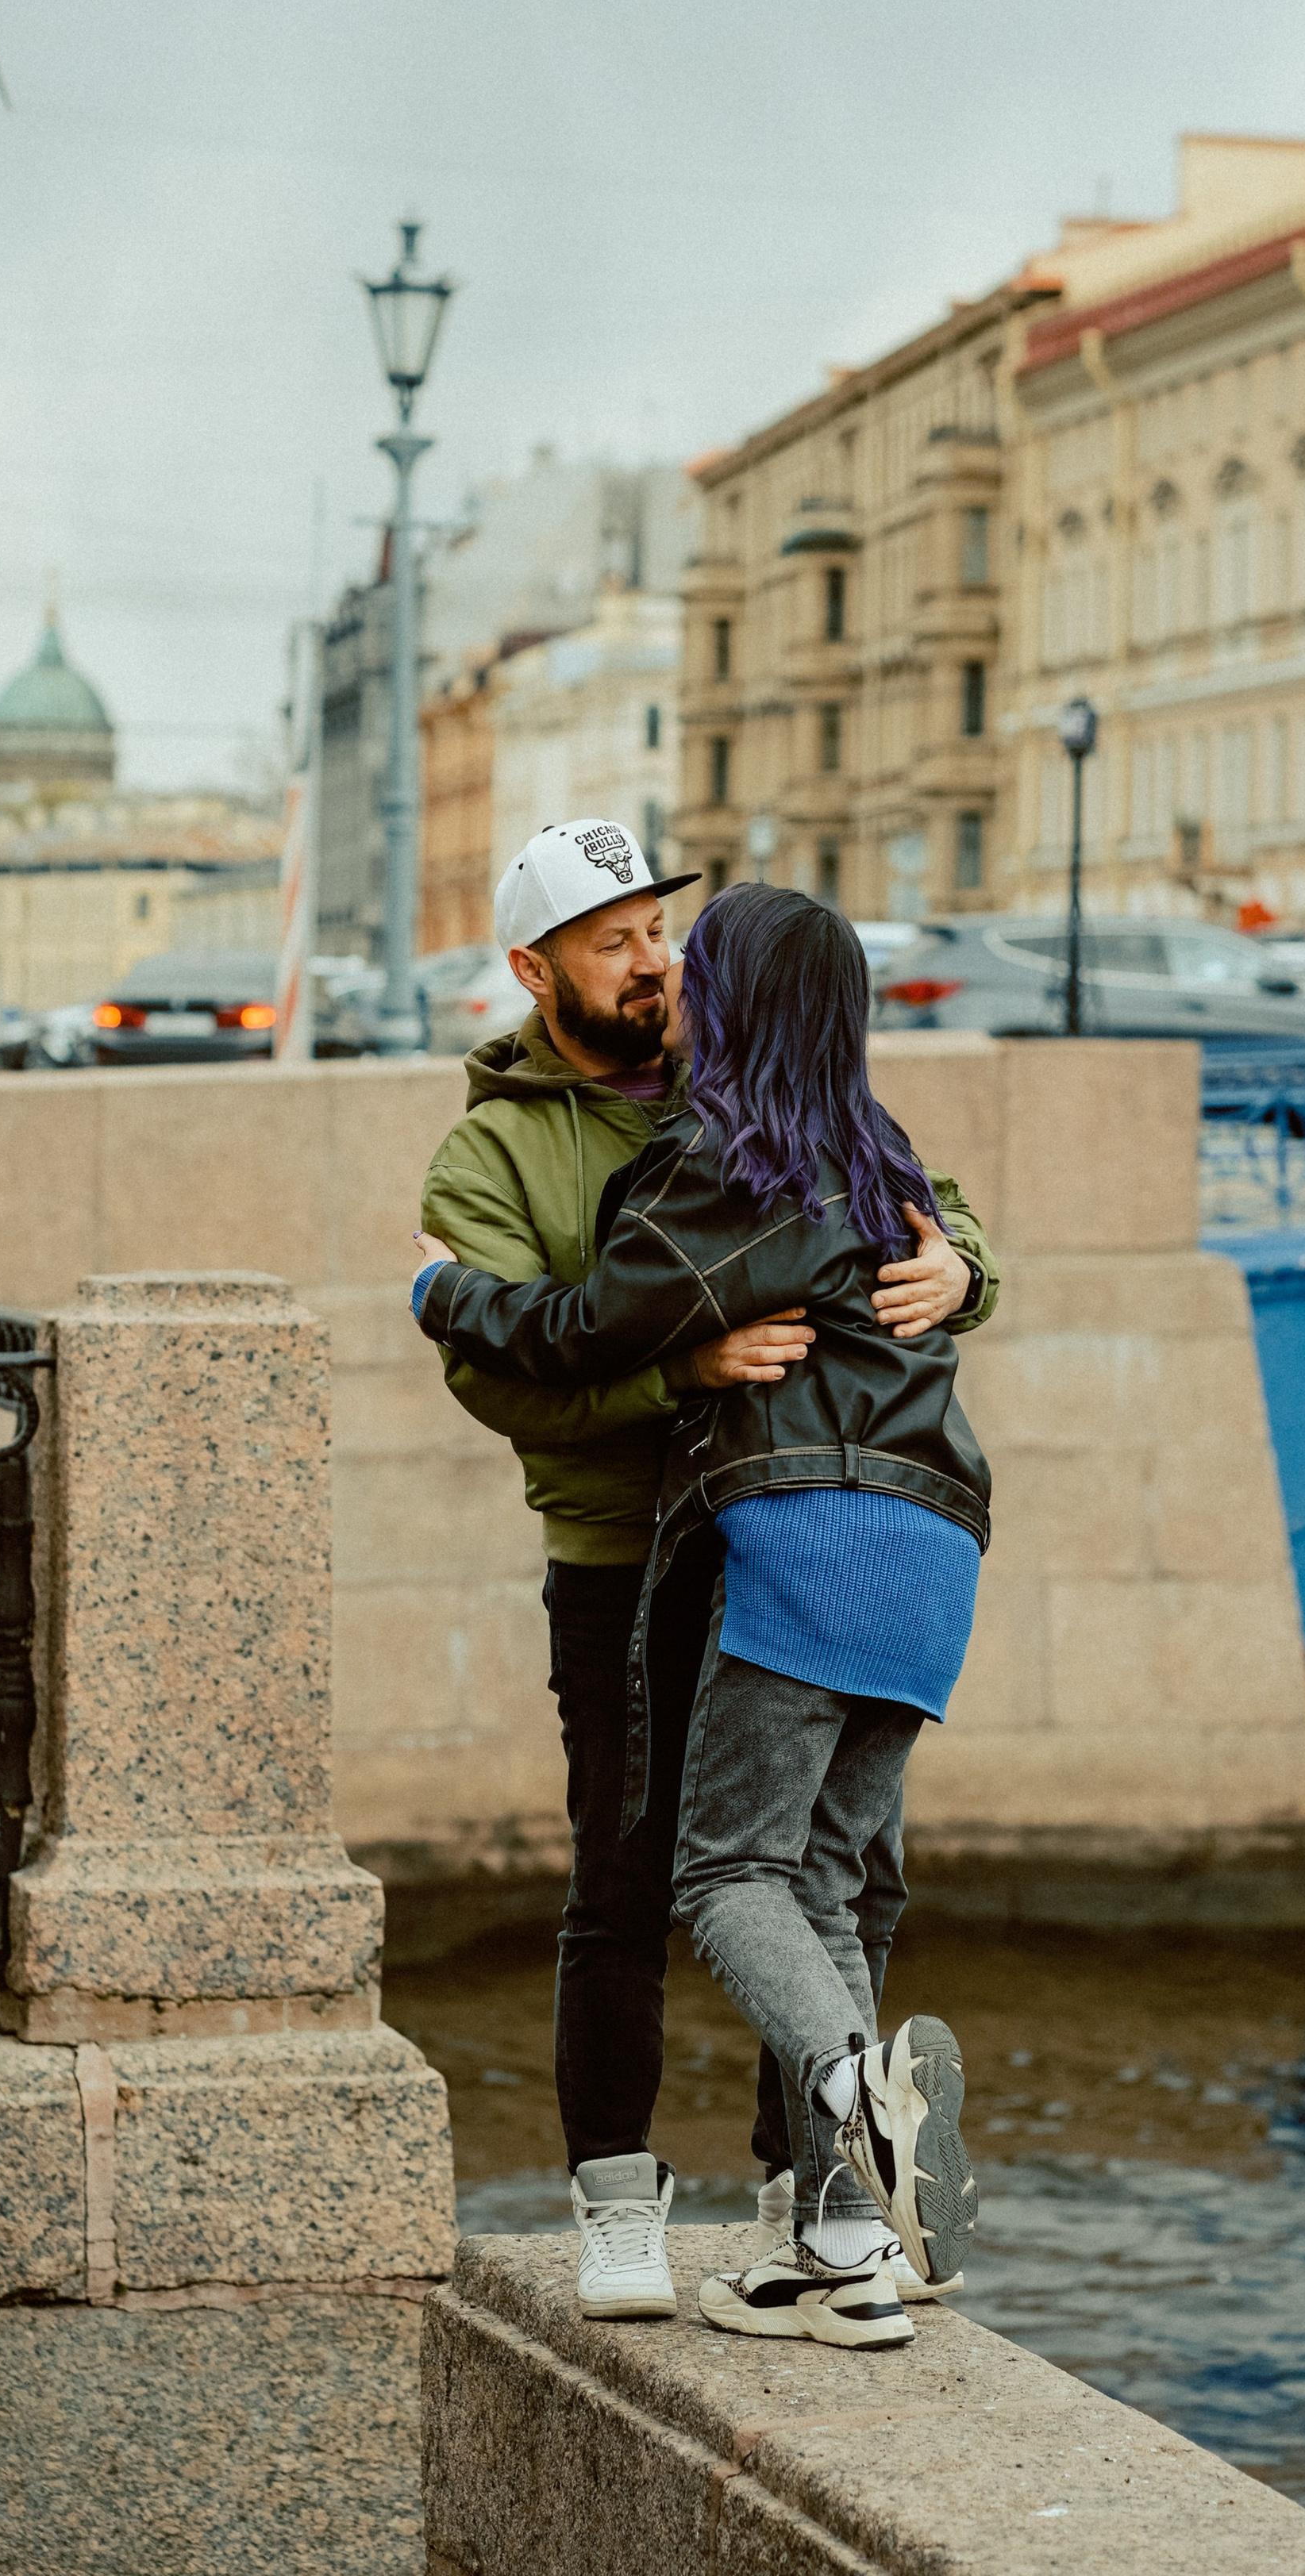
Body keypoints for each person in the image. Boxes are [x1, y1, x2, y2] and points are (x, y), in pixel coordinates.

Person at [419, 821, 998, 2322]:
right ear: (535, 970)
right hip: (684, 1549)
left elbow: (587, 1315)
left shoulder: (724, 1126)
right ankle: (759, 2225)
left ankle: (840, 2168)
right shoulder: (504, 1145)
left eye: (666, 937)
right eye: (615, 943)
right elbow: (515, 1383)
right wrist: (682, 1374)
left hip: (774, 1532)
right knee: (675, 1885)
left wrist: (971, 1270)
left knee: (755, 1874)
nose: (652, 961)